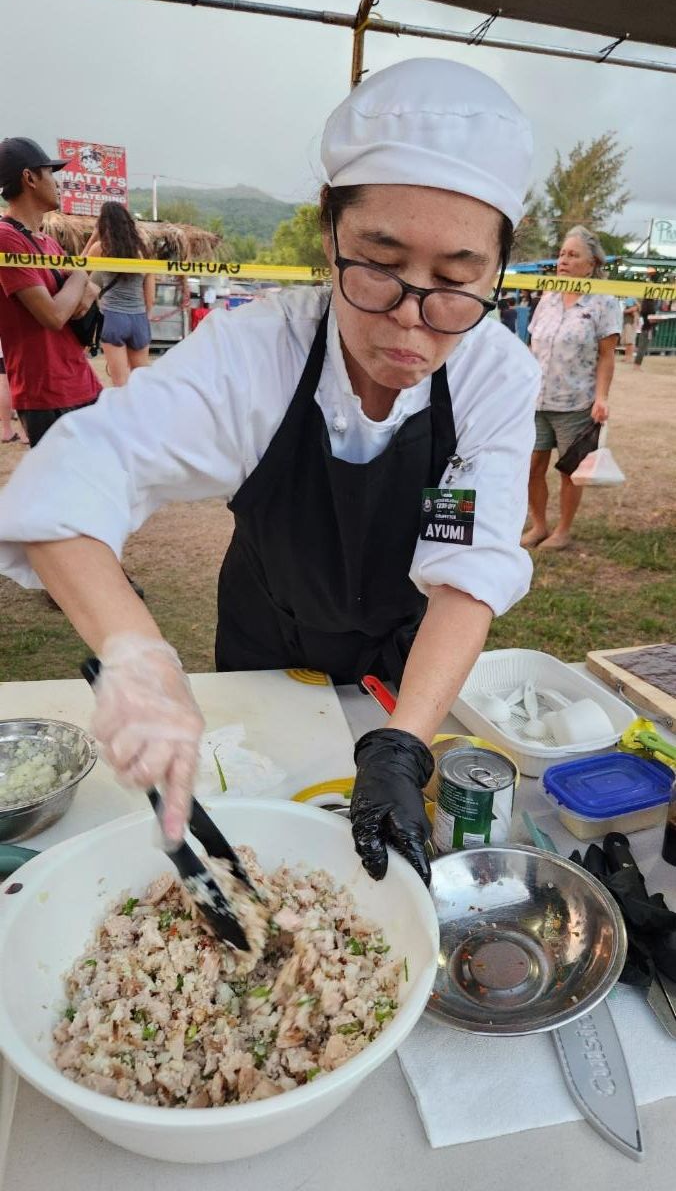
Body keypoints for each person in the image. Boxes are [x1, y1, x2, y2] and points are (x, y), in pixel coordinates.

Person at [0, 60, 540, 886]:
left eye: (458, 282)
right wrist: (138, 654)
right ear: (328, 232)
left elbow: (467, 565)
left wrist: (402, 745)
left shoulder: (494, 376)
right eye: (378, 262)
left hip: (403, 659)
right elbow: (71, 483)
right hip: (265, 639)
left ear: (497, 267)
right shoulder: (258, 354)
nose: (411, 320)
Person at [523, 226, 621, 550]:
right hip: (537, 401)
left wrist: (602, 397)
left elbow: (607, 357)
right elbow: (531, 345)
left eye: (573, 254)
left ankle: (562, 531)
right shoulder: (547, 297)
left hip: (576, 403)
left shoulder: (605, 302)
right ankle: (538, 526)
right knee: (531, 468)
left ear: (591, 263)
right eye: (562, 253)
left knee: (570, 471)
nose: (563, 260)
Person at [0, 137, 102, 447]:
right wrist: (82, 274)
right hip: (47, 394)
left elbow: (89, 295)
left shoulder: (47, 242)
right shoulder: (6, 239)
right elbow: (55, 315)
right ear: (29, 178)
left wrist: (81, 285)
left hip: (82, 381)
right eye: (50, 172)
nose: (57, 182)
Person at [82, 202, 155, 387]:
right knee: (142, 381)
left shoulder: (101, 248)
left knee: (120, 383)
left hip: (114, 318)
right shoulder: (143, 251)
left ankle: (123, 415)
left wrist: (92, 238)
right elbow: (151, 298)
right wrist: (143, 316)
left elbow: (78, 271)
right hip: (139, 318)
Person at [0, 338, 28, 443]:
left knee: (3, 384)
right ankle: (25, 433)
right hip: (13, 343)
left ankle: (7, 432)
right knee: (23, 382)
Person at [621, 295, 639, 363]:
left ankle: (629, 358)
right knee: (627, 341)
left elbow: (635, 310)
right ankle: (626, 357)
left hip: (630, 323)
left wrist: (624, 311)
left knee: (630, 342)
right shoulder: (628, 301)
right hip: (626, 322)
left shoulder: (633, 301)